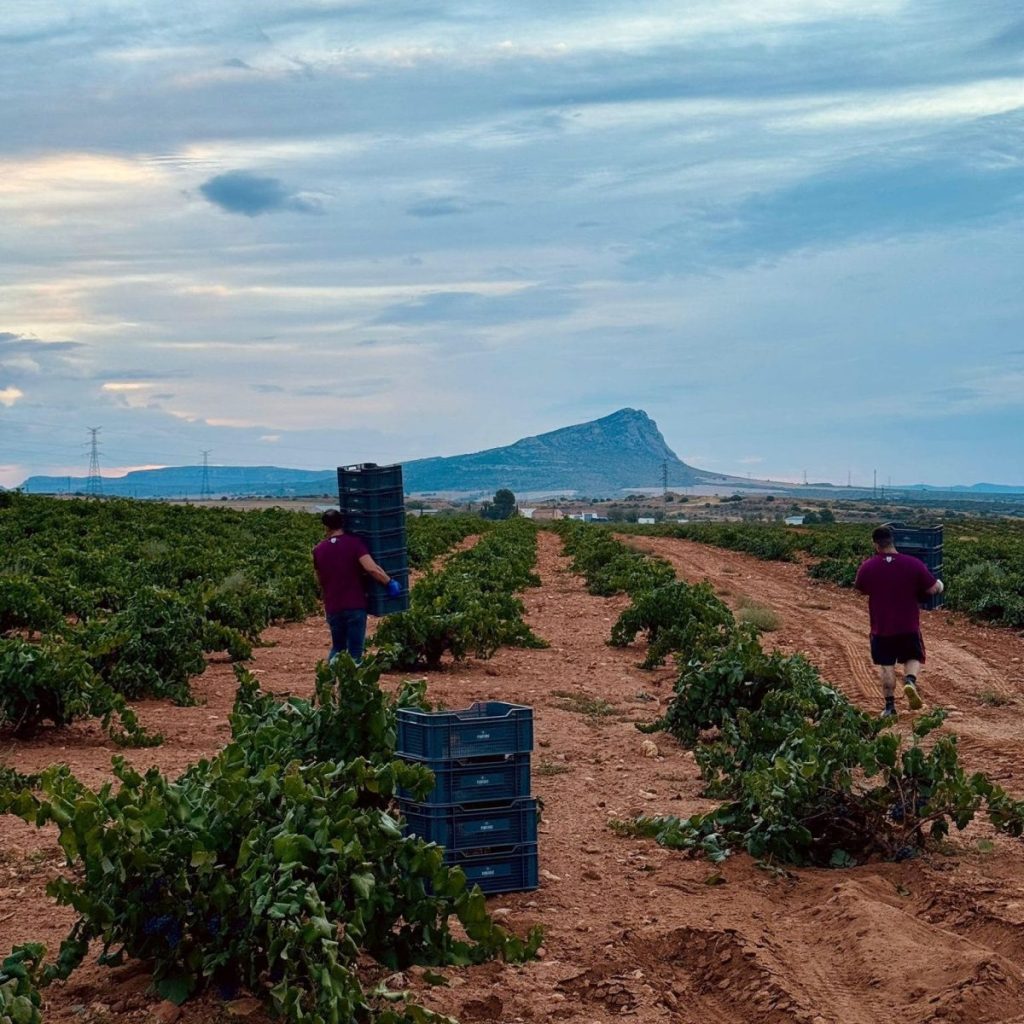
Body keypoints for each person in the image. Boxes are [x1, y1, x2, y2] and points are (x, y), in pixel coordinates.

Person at [854, 525, 944, 717]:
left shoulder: (867, 567)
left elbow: (861, 588)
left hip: (881, 627)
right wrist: (939, 586)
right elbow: (931, 588)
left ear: (875, 544)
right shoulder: (913, 564)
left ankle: (889, 707)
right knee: (913, 656)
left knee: (886, 665)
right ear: (893, 541)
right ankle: (910, 680)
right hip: (908, 625)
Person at [313, 509, 392, 662]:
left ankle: (329, 677)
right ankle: (352, 677)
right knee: (355, 651)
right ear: (343, 523)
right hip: (354, 606)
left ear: (325, 527)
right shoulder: (355, 543)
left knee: (338, 648)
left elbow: (318, 580)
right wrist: (389, 582)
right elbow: (372, 569)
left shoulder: (318, 550)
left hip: (333, 607)